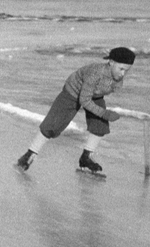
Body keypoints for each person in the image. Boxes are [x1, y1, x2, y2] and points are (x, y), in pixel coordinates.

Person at [15, 46, 135, 174]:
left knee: (100, 126)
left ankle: (86, 158)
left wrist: (108, 114)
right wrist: (104, 113)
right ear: (111, 62)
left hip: (94, 95)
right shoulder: (95, 73)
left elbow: (97, 94)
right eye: (121, 69)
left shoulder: (117, 78)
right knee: (53, 124)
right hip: (72, 92)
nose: (122, 74)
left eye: (126, 70)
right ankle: (28, 155)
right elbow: (85, 100)